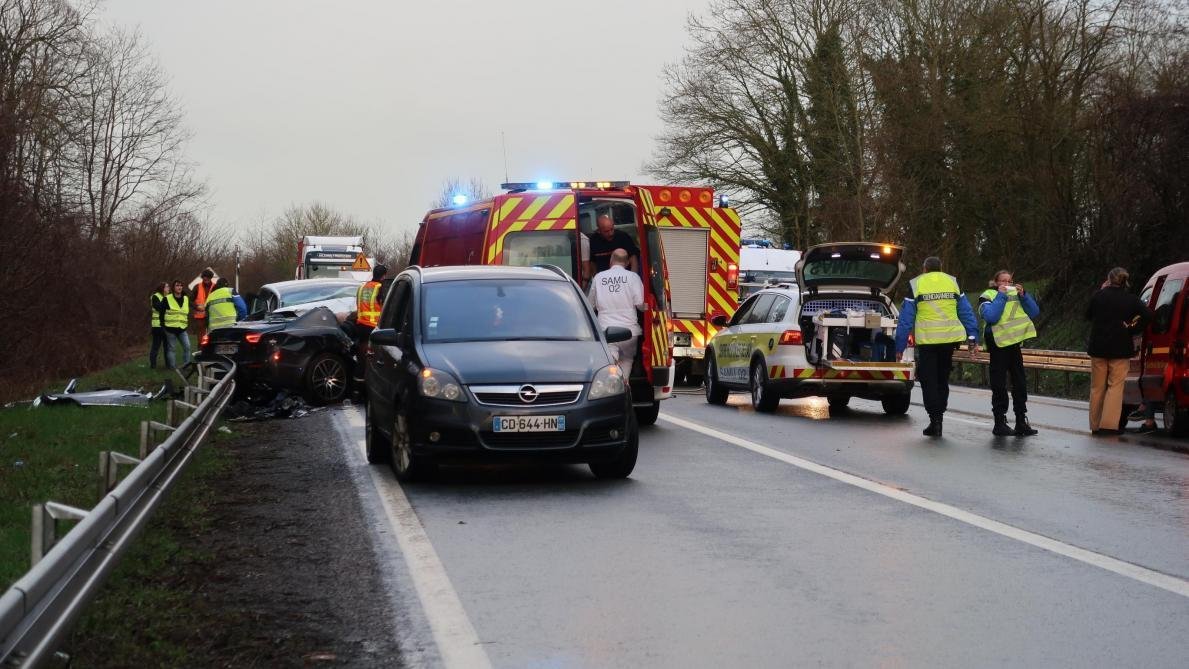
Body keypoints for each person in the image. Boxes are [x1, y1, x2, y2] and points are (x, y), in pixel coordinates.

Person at [895, 256, 979, 437]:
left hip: (928, 342)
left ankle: (935, 419)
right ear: (941, 268)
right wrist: (973, 336)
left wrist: (900, 346)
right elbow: (965, 311)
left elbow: (906, 319)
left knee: (928, 380)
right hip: (949, 340)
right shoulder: (952, 282)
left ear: (924, 268)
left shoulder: (916, 284)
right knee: (942, 379)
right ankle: (939, 415)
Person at [1085, 267, 1151, 435]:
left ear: (1108, 280)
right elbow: (1148, 315)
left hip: (1098, 348)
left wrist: (1101, 291)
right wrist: (1132, 329)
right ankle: (1109, 425)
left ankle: (1095, 425)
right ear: (1124, 281)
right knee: (1115, 387)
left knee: (1097, 387)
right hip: (1120, 348)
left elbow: (1087, 315)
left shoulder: (1098, 296)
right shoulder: (1131, 300)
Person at [979, 270, 1041, 436]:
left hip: (1014, 345)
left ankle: (1021, 421)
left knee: (1020, 384)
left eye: (1010, 281)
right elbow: (991, 317)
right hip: (998, 346)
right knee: (999, 385)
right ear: (996, 282)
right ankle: (1000, 422)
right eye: (1003, 281)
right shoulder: (988, 296)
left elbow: (1034, 312)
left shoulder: (1017, 295)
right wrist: (1001, 296)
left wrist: (1024, 295)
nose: (1007, 284)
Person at [588, 248, 646, 379]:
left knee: (609, 359)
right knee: (627, 360)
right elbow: (641, 306)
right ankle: (624, 385)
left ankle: (612, 382)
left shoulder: (599, 277)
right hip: (629, 332)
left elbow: (589, 305)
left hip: (607, 331)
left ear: (611, 261)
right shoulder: (633, 277)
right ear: (626, 263)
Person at [164, 280, 192, 369]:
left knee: (187, 347)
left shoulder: (186, 299)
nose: (179, 287)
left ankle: (186, 366)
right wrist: (163, 325)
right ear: (173, 287)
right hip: (170, 329)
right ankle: (173, 368)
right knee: (172, 349)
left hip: (182, 328)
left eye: (181, 285)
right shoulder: (167, 298)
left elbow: (190, 307)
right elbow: (161, 312)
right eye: (177, 285)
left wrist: (199, 307)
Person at [355, 264, 388, 340]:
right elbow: (386, 307)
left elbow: (358, 304)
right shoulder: (381, 288)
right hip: (374, 327)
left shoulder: (362, 287)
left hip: (360, 325)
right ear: (383, 276)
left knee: (362, 349)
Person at [149, 282, 171, 369]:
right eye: (167, 287)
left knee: (167, 347)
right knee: (156, 346)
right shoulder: (155, 296)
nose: (169, 288)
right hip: (157, 326)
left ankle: (168, 366)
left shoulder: (167, 297)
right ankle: (153, 366)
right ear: (162, 288)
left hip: (166, 325)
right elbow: (158, 307)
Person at [192, 267, 215, 336]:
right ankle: (200, 347)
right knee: (201, 337)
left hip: (212, 315)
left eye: (207, 277)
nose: (205, 279)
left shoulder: (215, 287)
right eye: (204, 277)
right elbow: (189, 301)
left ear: (210, 278)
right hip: (200, 317)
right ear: (202, 278)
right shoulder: (197, 287)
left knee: (212, 335)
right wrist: (197, 307)